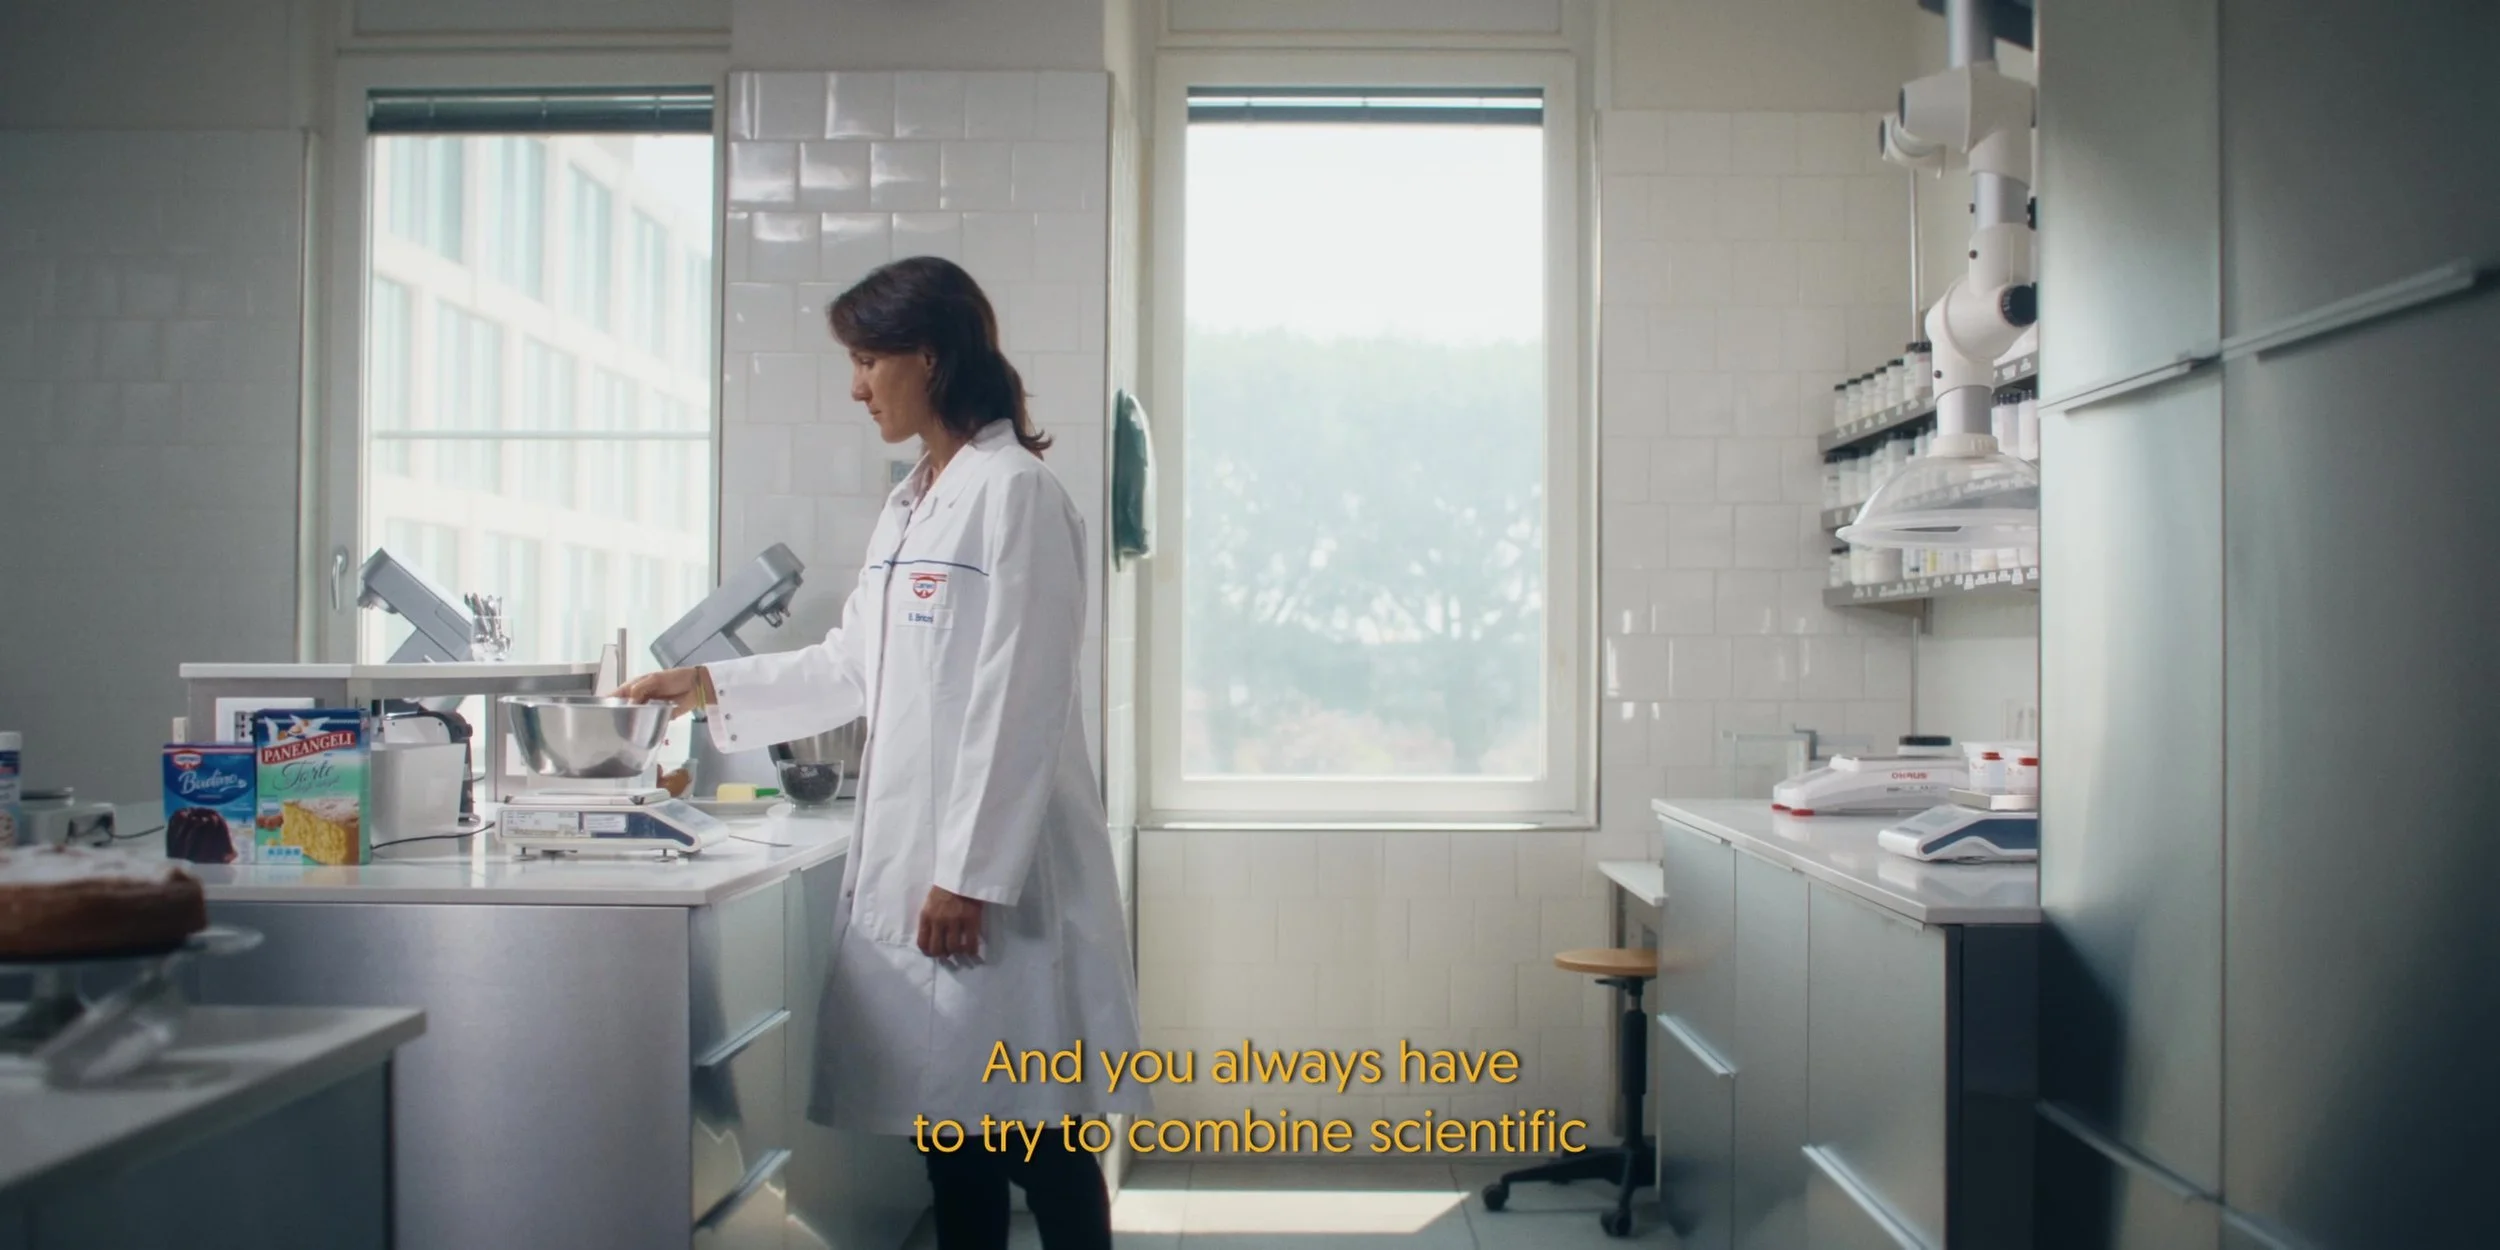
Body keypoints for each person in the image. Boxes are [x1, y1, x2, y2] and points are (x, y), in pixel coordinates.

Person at [617, 256, 1145, 1250]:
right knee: (954, 1139)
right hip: (925, 864)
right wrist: (707, 684)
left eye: (867, 360)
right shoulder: (912, 501)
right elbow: (851, 663)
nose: (857, 387)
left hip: (996, 881)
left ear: (928, 356)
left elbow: (1021, 697)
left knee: (1038, 1134)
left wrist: (968, 873)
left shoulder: (1015, 493)